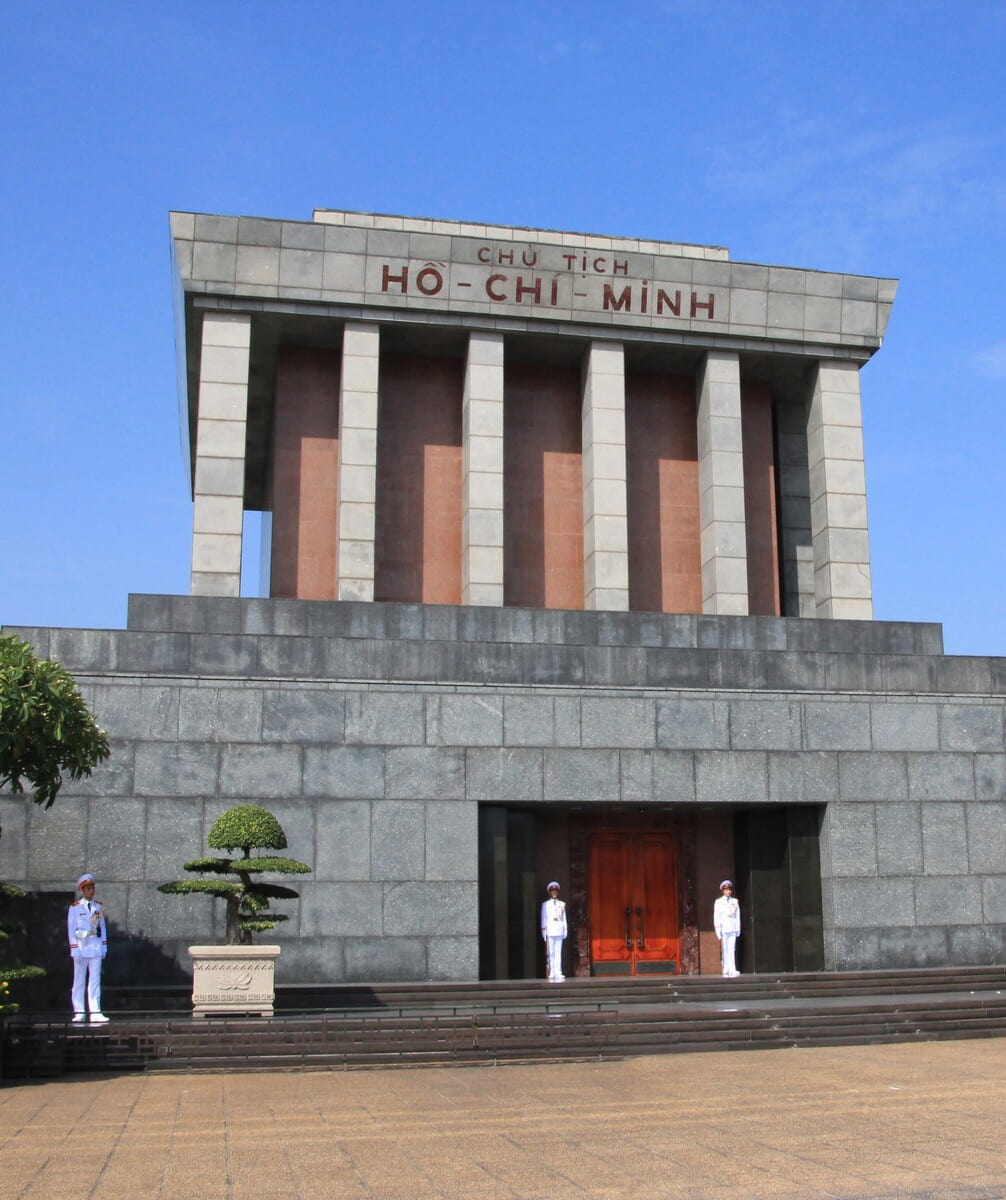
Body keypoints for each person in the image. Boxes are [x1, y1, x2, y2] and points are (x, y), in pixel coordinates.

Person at [68, 873, 109, 1023]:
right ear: (82, 890)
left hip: (95, 948)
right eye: (88, 888)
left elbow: (102, 927)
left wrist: (104, 946)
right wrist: (74, 949)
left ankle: (95, 1011)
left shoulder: (98, 907)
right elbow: (71, 930)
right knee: (79, 981)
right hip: (81, 948)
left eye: (92, 888)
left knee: (95, 980)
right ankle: (79, 1011)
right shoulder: (75, 908)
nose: (92, 891)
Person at [540, 880, 567, 982]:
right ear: (549, 892)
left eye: (555, 891)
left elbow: (563, 918)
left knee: (558, 952)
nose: (554, 893)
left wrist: (565, 929)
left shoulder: (562, 904)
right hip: (550, 929)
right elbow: (544, 918)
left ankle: (558, 971)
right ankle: (552, 971)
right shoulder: (546, 904)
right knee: (550, 952)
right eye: (552, 891)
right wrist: (544, 931)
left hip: (559, 929)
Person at [713, 879, 741, 977]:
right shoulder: (718, 902)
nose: (728, 891)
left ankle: (732, 968)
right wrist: (718, 930)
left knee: (732, 949)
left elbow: (737, 916)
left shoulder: (735, 901)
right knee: (725, 949)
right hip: (724, 928)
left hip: (732, 928)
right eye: (726, 889)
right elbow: (717, 916)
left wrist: (738, 928)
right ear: (723, 890)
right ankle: (726, 967)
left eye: (729, 889)